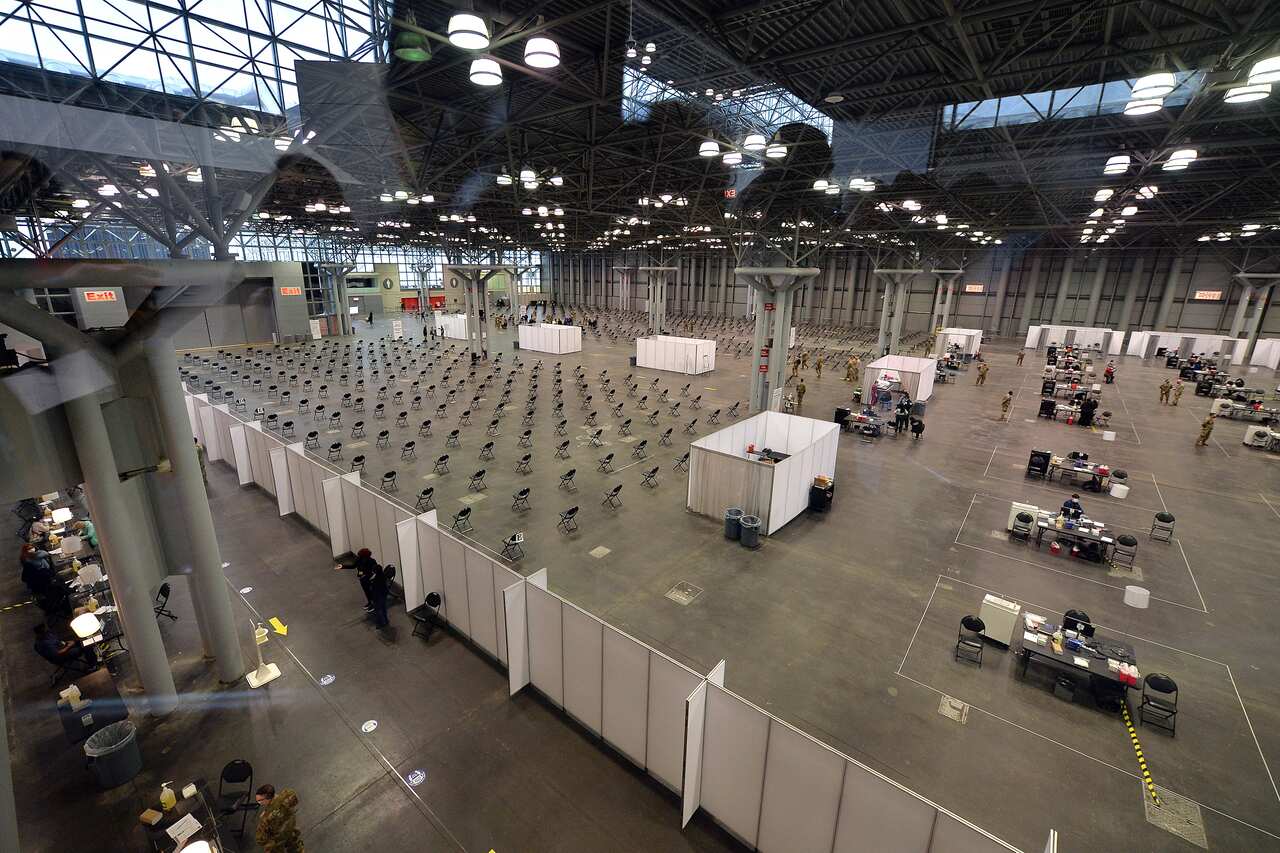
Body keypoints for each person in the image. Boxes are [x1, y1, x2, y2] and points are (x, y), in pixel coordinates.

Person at [255, 785, 303, 853]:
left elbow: (260, 840)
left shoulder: (266, 818)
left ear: (267, 798)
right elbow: (293, 800)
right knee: (295, 846)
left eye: (260, 801)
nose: (259, 803)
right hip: (290, 828)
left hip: (278, 839)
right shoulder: (289, 794)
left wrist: (266, 814)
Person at [32, 623, 97, 669]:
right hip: (62, 655)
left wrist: (68, 642)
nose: (45, 630)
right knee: (85, 646)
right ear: (39, 633)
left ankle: (92, 656)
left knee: (82, 640)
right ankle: (93, 665)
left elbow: (58, 641)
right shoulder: (43, 643)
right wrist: (69, 646)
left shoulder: (47, 633)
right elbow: (58, 653)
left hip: (64, 646)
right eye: (43, 630)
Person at [353, 548, 378, 613]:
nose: (359, 557)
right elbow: (357, 567)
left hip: (369, 580)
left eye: (361, 556)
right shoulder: (359, 560)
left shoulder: (372, 561)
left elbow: (374, 571)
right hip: (363, 580)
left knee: (371, 592)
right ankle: (370, 602)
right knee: (366, 592)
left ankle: (374, 604)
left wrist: (366, 576)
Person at [370, 563, 391, 629]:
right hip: (384, 594)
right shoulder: (383, 576)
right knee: (383, 608)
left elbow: (374, 589)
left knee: (378, 610)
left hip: (378, 596)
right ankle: (386, 620)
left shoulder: (376, 580)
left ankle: (382, 623)